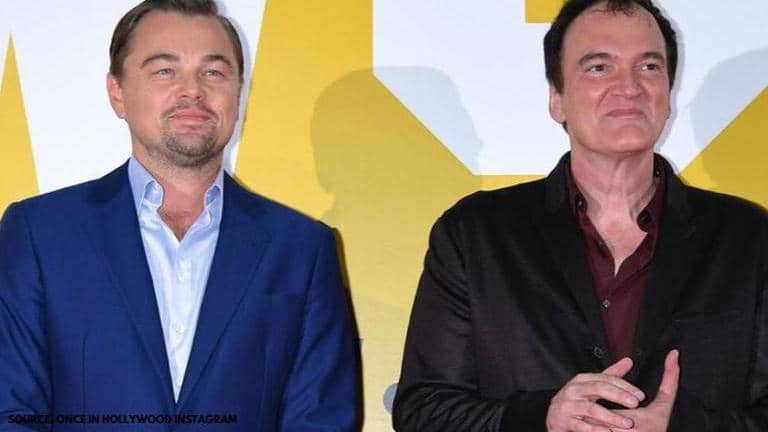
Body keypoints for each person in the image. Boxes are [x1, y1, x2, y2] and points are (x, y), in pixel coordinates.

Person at [392, 0, 768, 431]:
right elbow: (424, 410)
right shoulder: (476, 235)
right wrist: (541, 418)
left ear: (668, 97)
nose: (629, 87)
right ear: (557, 99)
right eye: (599, 68)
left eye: (648, 67)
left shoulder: (747, 238)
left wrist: (687, 427)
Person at [0, 1, 359, 430]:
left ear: (239, 94)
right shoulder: (40, 234)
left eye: (214, 72)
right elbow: (10, 409)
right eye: (165, 71)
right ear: (117, 92)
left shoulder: (302, 249)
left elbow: (320, 419)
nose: (193, 91)